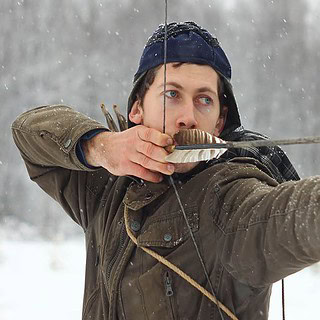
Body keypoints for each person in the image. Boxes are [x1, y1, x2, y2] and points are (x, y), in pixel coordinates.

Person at [12, 21, 320, 320]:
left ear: (219, 122)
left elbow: (292, 216)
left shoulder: (227, 196)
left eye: (204, 100)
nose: (188, 117)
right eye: (171, 94)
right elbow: (26, 131)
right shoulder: (108, 186)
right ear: (137, 110)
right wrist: (101, 147)